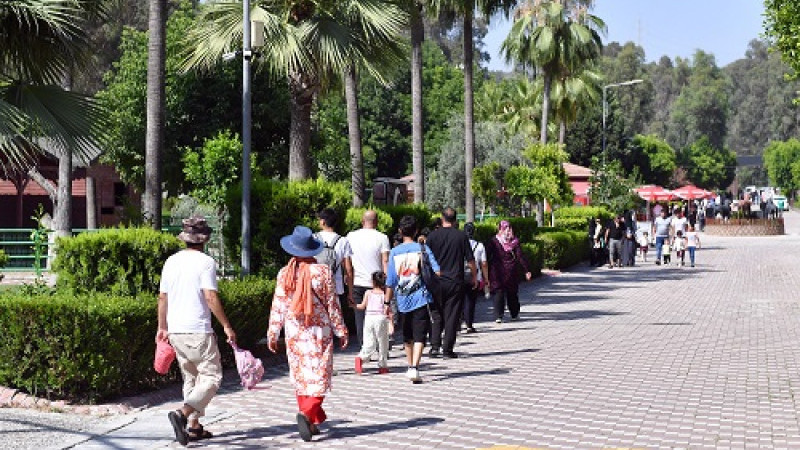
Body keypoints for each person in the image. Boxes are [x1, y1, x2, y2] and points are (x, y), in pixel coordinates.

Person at [157, 216, 237, 446]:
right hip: (198, 329)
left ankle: (193, 427)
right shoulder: (205, 262)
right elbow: (210, 296)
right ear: (205, 239)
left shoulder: (171, 262)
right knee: (212, 377)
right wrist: (226, 325)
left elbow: (163, 297)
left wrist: (162, 327)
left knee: (191, 378)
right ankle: (182, 414)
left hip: (175, 330)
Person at [267, 226, 349, 442]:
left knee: (301, 376)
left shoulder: (285, 273)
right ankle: (307, 414)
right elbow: (332, 304)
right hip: (318, 331)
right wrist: (341, 330)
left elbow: (279, 305)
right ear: (312, 250)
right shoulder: (322, 272)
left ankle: (311, 420)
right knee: (320, 374)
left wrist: (273, 333)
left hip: (294, 331)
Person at [385, 215, 440, 383]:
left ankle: (411, 366)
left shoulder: (394, 252)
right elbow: (437, 271)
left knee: (407, 334)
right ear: (416, 231)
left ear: (400, 231)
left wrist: (387, 303)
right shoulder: (422, 248)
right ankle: (415, 367)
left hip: (402, 300)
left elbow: (391, 281)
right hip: (422, 297)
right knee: (420, 334)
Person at [426, 207, 477, 359]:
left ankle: (434, 347)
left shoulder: (432, 237)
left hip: (436, 281)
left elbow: (426, 259)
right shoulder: (461, 237)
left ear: (442, 218)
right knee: (452, 315)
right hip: (455, 281)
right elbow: (470, 260)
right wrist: (475, 276)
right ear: (455, 220)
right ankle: (447, 349)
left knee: (436, 314)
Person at [346, 210, 390, 347]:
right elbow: (385, 261)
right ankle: (380, 346)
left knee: (360, 319)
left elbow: (347, 262)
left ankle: (364, 347)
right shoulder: (382, 237)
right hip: (376, 284)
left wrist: (350, 286)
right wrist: (387, 284)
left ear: (362, 220)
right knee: (378, 316)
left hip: (358, 282)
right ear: (376, 222)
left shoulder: (350, 236)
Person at [315, 208, 355, 341]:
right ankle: (330, 341)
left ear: (322, 221)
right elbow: (348, 269)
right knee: (333, 318)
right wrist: (350, 293)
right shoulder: (343, 241)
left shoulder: (313, 238)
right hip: (335, 287)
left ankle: (318, 342)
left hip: (315, 286)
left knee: (317, 318)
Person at [486, 220, 532, 323]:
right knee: (512, 293)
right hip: (511, 271)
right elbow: (520, 256)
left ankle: (499, 316)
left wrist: (485, 270)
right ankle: (514, 314)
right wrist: (527, 270)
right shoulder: (514, 241)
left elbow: (487, 256)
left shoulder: (494, 241)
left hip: (497, 271)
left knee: (499, 293)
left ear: (500, 229)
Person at [354, 271, 392, 375]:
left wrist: (354, 305)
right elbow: (388, 310)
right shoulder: (385, 295)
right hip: (380, 318)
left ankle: (361, 357)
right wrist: (391, 323)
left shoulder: (368, 293)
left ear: (373, 282)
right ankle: (382, 365)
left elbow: (362, 306)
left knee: (369, 341)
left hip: (369, 318)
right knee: (383, 342)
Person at [462, 222, 488, 334]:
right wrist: (486, 278)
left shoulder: (459, 243)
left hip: (459, 275)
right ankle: (469, 324)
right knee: (471, 301)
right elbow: (484, 263)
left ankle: (459, 322)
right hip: (474, 276)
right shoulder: (480, 246)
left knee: (460, 300)